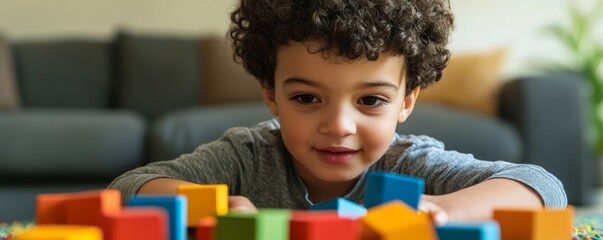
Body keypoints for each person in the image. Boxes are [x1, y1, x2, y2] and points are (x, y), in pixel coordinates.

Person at [108, 0, 567, 225]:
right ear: (270, 92)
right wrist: (217, 204)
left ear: (407, 101)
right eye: (307, 98)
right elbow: (128, 187)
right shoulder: (247, 157)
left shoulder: (409, 164)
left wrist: (438, 209)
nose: (339, 127)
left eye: (370, 100)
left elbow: (542, 187)